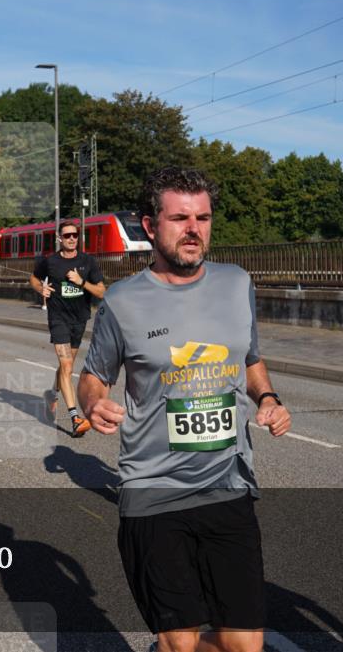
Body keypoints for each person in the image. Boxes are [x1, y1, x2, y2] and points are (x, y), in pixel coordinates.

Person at [77, 166, 292, 652]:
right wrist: (94, 404)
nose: (194, 229)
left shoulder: (238, 283)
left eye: (203, 217)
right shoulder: (123, 301)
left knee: (245, 646)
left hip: (228, 485)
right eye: (180, 218)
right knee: (181, 643)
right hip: (154, 491)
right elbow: (93, 377)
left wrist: (269, 398)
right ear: (150, 226)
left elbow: (251, 358)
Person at [29, 219, 105, 436]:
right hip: (58, 319)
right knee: (67, 365)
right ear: (59, 238)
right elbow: (33, 279)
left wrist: (81, 282)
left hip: (79, 319)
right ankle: (74, 418)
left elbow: (101, 292)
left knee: (66, 365)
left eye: (75, 235)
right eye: (67, 235)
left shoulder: (87, 261)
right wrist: (40, 289)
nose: (72, 239)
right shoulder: (50, 262)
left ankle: (51, 394)